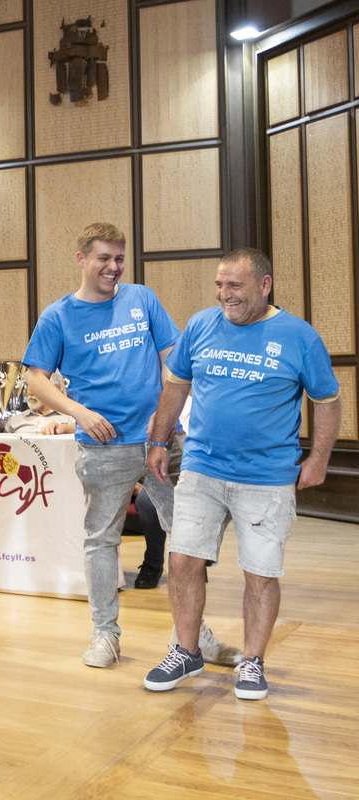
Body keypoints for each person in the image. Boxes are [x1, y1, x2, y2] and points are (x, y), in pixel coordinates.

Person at [22, 222, 236, 669]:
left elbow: (172, 363)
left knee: (189, 539)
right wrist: (77, 413)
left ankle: (194, 637)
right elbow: (35, 378)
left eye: (119, 258)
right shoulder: (58, 316)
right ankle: (105, 635)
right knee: (101, 540)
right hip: (103, 448)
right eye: (104, 258)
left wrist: (165, 424)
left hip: (160, 439)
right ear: (81, 259)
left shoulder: (143, 298)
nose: (114, 267)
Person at [143, 248, 341, 701]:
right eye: (219, 285)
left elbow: (327, 401)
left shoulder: (298, 336)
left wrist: (319, 459)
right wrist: (158, 439)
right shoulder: (201, 325)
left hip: (267, 475)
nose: (224, 295)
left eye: (234, 286)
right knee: (183, 560)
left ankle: (252, 661)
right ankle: (186, 650)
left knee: (260, 571)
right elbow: (176, 385)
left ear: (264, 285)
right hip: (202, 466)